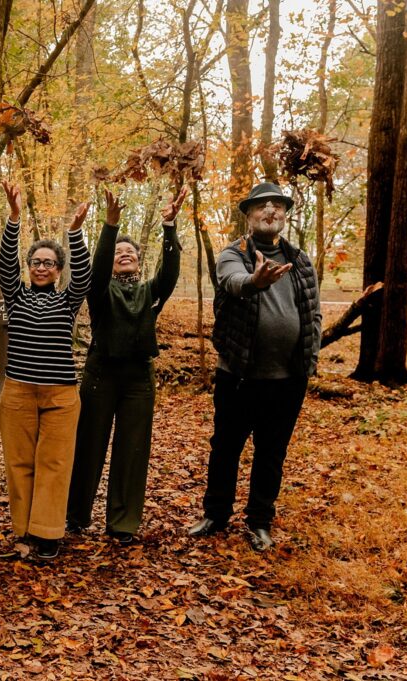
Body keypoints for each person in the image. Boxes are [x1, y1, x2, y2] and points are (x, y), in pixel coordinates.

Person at [188, 181, 321, 552]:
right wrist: (255, 281)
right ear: (248, 215)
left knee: (272, 451)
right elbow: (232, 283)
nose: (270, 212)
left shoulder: (299, 259)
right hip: (240, 375)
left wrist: (310, 359)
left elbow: (313, 311)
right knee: (226, 447)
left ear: (284, 214)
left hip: (288, 379)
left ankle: (260, 521)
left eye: (277, 206)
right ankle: (215, 515)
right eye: (262, 206)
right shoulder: (235, 253)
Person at [66, 187, 187, 545]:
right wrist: (111, 227)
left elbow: (170, 274)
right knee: (89, 445)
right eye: (119, 252)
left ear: (138, 260)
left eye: (129, 252)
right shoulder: (101, 291)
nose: (124, 255)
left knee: (132, 450)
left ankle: (122, 522)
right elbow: (98, 268)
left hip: (138, 379)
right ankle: (75, 515)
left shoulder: (150, 292)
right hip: (101, 374)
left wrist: (169, 226)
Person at [0, 179, 91, 561]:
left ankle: (47, 536)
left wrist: (74, 233)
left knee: (54, 464)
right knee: (19, 464)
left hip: (61, 396)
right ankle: (22, 532)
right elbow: (5, 264)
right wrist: (15, 217)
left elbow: (83, 276)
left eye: (49, 263)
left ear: (57, 270)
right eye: (35, 262)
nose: (40, 267)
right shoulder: (16, 297)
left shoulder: (67, 302)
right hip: (18, 392)